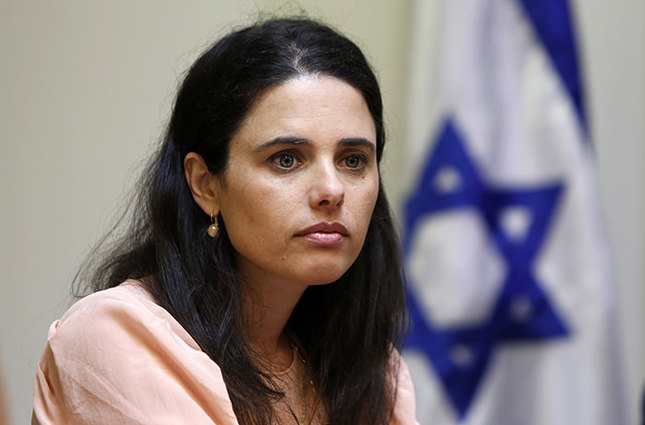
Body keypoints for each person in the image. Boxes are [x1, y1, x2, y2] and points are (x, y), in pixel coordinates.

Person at [32, 17, 417, 425]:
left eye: (353, 160)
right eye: (286, 159)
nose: (332, 189)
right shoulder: (118, 335)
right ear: (206, 184)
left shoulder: (373, 367)